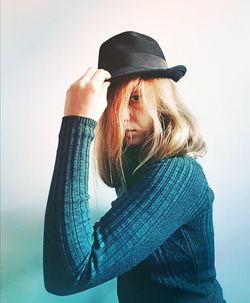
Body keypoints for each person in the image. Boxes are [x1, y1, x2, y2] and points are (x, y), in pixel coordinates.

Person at [43, 31, 227, 302]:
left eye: (135, 98)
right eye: (112, 101)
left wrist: (77, 123)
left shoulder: (177, 174)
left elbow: (69, 274)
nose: (121, 114)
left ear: (161, 100)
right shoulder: (137, 167)